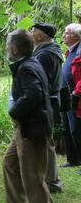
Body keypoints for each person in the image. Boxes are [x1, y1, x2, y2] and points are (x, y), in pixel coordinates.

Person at [3, 29, 53, 203]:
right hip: (26, 128)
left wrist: (14, 111)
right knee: (10, 164)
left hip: (33, 130)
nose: (7, 49)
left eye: (8, 46)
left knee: (32, 177)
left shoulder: (27, 67)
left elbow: (33, 94)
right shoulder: (29, 63)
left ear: (15, 49)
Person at [31, 22, 64, 192]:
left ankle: (51, 182)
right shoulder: (49, 51)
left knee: (45, 143)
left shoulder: (44, 55)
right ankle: (49, 179)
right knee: (45, 142)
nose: (31, 33)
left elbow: (39, 83)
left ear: (41, 36)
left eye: (33, 30)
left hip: (45, 102)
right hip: (50, 101)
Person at [61, 23, 81, 173]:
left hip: (76, 97)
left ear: (76, 36)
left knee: (76, 129)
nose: (64, 35)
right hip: (65, 95)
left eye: (66, 33)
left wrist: (76, 92)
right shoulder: (71, 51)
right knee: (66, 128)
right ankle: (72, 159)